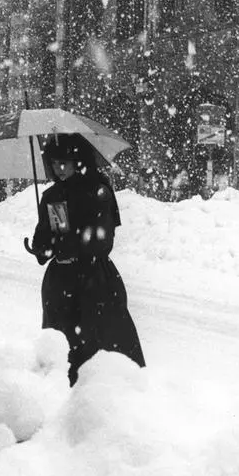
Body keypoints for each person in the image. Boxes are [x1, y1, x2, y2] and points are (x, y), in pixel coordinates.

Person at [29, 134, 146, 387]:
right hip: (60, 284)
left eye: (66, 163)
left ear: (78, 160)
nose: (59, 169)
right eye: (55, 163)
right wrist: (41, 246)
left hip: (95, 280)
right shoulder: (52, 196)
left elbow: (103, 241)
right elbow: (47, 240)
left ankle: (103, 398)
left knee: (101, 346)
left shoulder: (98, 189)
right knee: (61, 348)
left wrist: (68, 243)